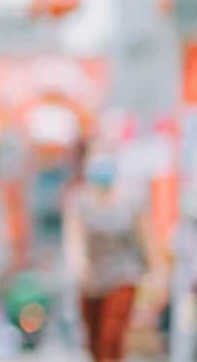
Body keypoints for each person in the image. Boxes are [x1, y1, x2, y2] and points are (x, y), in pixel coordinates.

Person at [62, 144, 159, 362]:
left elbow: (147, 238)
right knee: (94, 341)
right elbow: (74, 237)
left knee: (111, 335)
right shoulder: (80, 200)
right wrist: (78, 264)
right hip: (92, 281)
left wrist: (155, 275)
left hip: (123, 275)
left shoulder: (131, 200)